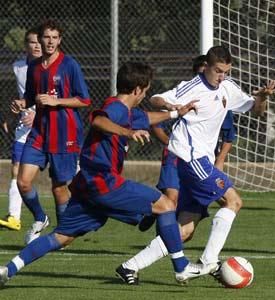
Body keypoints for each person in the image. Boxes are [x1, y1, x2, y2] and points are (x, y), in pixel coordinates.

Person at [0, 61, 203, 289]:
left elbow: (145, 118)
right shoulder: (116, 108)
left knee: (61, 237)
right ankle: (181, 267)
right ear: (137, 89)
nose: (143, 95)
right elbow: (98, 120)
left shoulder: (126, 111)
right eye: (145, 91)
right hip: (103, 181)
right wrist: (128, 132)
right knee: (166, 205)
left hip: (87, 186)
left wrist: (176, 112)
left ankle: (9, 269)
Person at [115, 46, 275, 284]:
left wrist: (262, 97)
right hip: (190, 159)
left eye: (226, 71)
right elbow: (156, 98)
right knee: (234, 201)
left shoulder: (228, 88)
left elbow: (256, 110)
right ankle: (209, 261)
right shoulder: (192, 86)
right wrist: (172, 107)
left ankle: (130, 266)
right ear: (208, 67)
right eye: (218, 71)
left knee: (185, 230)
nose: (222, 76)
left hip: (199, 161)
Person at [10, 19, 91, 244]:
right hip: (39, 133)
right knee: (23, 181)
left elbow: (84, 100)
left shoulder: (70, 65)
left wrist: (57, 101)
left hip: (65, 134)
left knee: (58, 187)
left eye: (55, 38)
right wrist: (21, 103)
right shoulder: (34, 67)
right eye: (47, 37)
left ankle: (63, 232)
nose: (50, 42)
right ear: (41, 39)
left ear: (60, 40)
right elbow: (31, 97)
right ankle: (40, 217)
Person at [137, 54, 237, 233]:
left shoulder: (222, 99)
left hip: (200, 162)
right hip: (176, 155)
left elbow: (229, 136)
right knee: (172, 199)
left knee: (188, 222)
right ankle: (155, 212)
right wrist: (171, 143)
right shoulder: (186, 94)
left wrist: (220, 160)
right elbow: (157, 122)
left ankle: (164, 230)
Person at [0, 27, 42, 231]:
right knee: (16, 167)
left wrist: (39, 115)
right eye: (31, 42)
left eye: (38, 42)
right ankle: (14, 217)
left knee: (63, 177)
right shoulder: (18, 67)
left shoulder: (51, 67)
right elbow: (22, 96)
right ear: (25, 45)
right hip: (24, 125)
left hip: (49, 123)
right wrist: (13, 113)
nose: (36, 46)